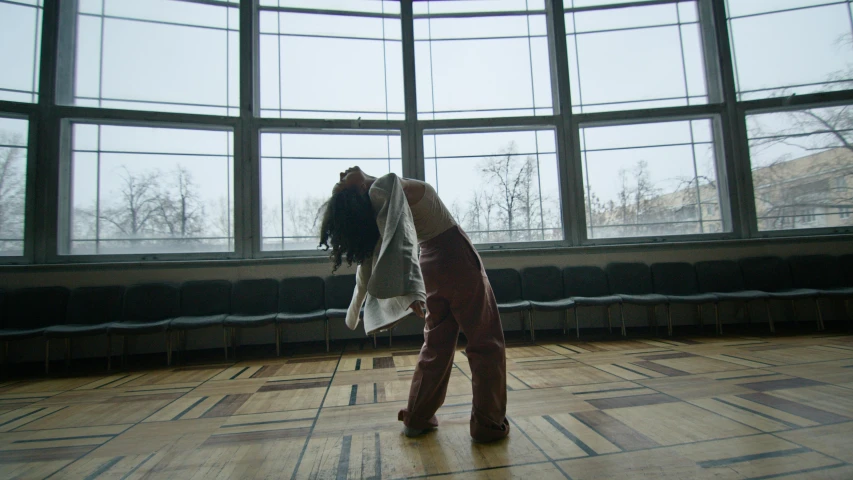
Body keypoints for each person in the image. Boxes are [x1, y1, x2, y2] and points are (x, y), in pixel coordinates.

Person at [319, 166, 510, 443]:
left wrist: (402, 293)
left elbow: (385, 252)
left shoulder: (380, 202)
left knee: (436, 345)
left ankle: (417, 418)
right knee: (486, 341)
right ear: (358, 190)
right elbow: (401, 245)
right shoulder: (383, 187)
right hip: (455, 255)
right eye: (342, 183)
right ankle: (488, 424)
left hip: (430, 265)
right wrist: (409, 291)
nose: (341, 173)